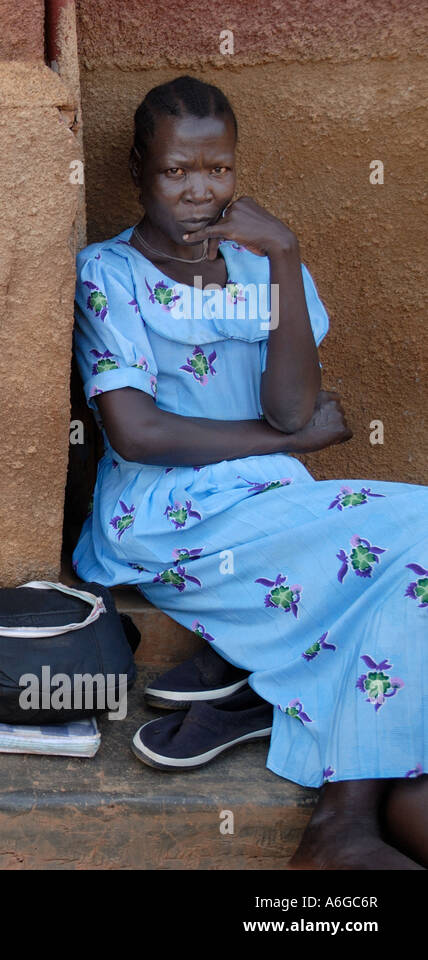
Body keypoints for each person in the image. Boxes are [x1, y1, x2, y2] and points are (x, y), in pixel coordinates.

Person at [71, 76, 426, 868]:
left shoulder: (258, 267)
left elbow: (294, 407)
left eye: (218, 170)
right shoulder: (110, 274)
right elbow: (136, 431)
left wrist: (286, 256)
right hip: (165, 518)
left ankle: (342, 821)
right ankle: (343, 819)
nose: (199, 191)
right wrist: (283, 447)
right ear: (139, 171)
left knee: (410, 567)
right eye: (176, 173)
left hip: (273, 503)